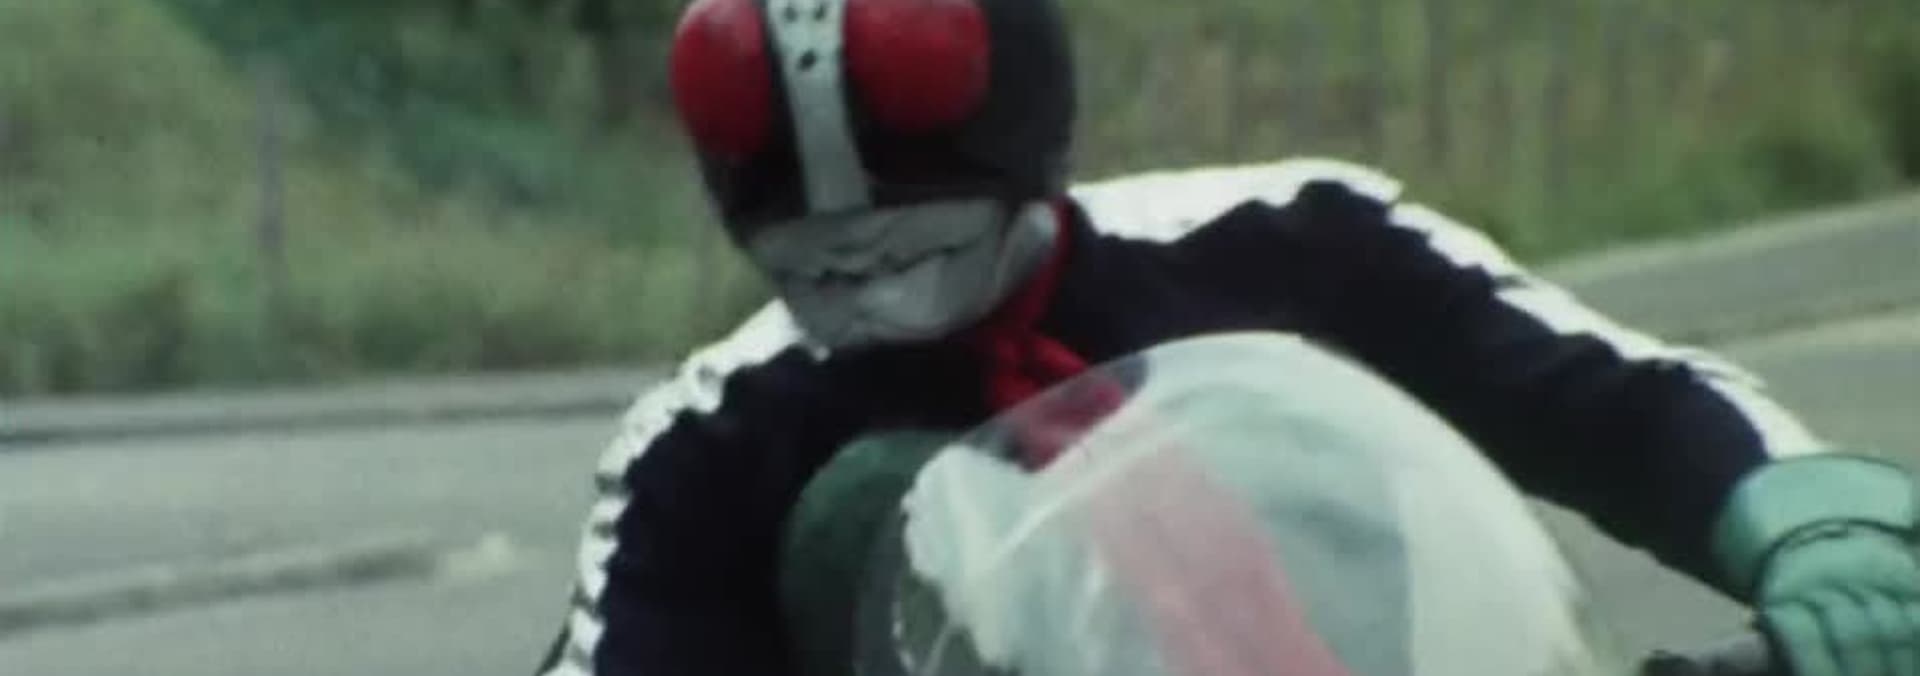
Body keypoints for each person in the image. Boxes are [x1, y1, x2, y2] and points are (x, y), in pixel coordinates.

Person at [536, 0, 1920, 674]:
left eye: (915, 247)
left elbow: (1597, 392)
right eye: (822, 270)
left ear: (1027, 167)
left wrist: (1805, 524)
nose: (876, 293)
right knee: (859, 501)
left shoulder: (1289, 239)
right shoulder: (709, 440)